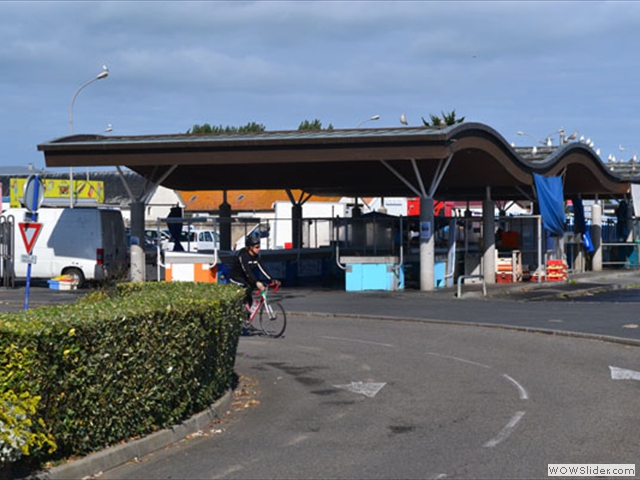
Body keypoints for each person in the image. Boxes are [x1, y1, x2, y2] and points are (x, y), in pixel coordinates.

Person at [229, 232, 280, 312]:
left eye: (259, 246)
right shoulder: (242, 255)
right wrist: (256, 282)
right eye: (257, 247)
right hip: (235, 277)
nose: (259, 249)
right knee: (247, 286)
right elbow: (247, 270)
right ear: (250, 247)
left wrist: (272, 279)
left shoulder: (256, 256)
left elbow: (262, 268)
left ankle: (247, 317)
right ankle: (240, 307)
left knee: (251, 291)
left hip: (246, 277)